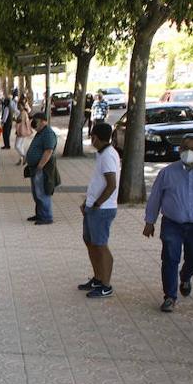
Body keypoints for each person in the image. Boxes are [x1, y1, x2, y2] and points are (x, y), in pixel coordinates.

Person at [143, 133, 193, 312]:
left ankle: (186, 276)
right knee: (169, 259)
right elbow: (155, 198)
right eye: (185, 148)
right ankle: (170, 297)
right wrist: (150, 221)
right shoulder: (167, 172)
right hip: (172, 223)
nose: (189, 152)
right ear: (180, 150)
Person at [79, 123, 121, 299]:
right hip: (93, 206)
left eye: (92, 136)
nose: (91, 139)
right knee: (90, 242)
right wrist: (88, 202)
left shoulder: (108, 156)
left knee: (101, 245)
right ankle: (97, 278)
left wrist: (97, 204)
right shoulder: (102, 154)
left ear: (97, 137)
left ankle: (106, 285)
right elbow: (98, 182)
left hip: (102, 209)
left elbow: (111, 185)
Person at [25, 113, 58, 224]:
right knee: (36, 193)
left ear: (43, 121)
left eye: (36, 121)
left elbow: (48, 151)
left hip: (42, 168)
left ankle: (46, 217)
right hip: (35, 167)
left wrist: (40, 166)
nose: (34, 123)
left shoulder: (48, 133)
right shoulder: (40, 133)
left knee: (42, 192)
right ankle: (40, 214)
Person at [14, 100, 33, 166]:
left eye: (19, 105)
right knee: (21, 146)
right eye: (18, 106)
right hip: (22, 130)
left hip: (21, 131)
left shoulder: (23, 113)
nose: (18, 107)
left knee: (17, 146)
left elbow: (20, 121)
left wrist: (15, 120)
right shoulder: (23, 112)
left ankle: (24, 156)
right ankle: (21, 159)